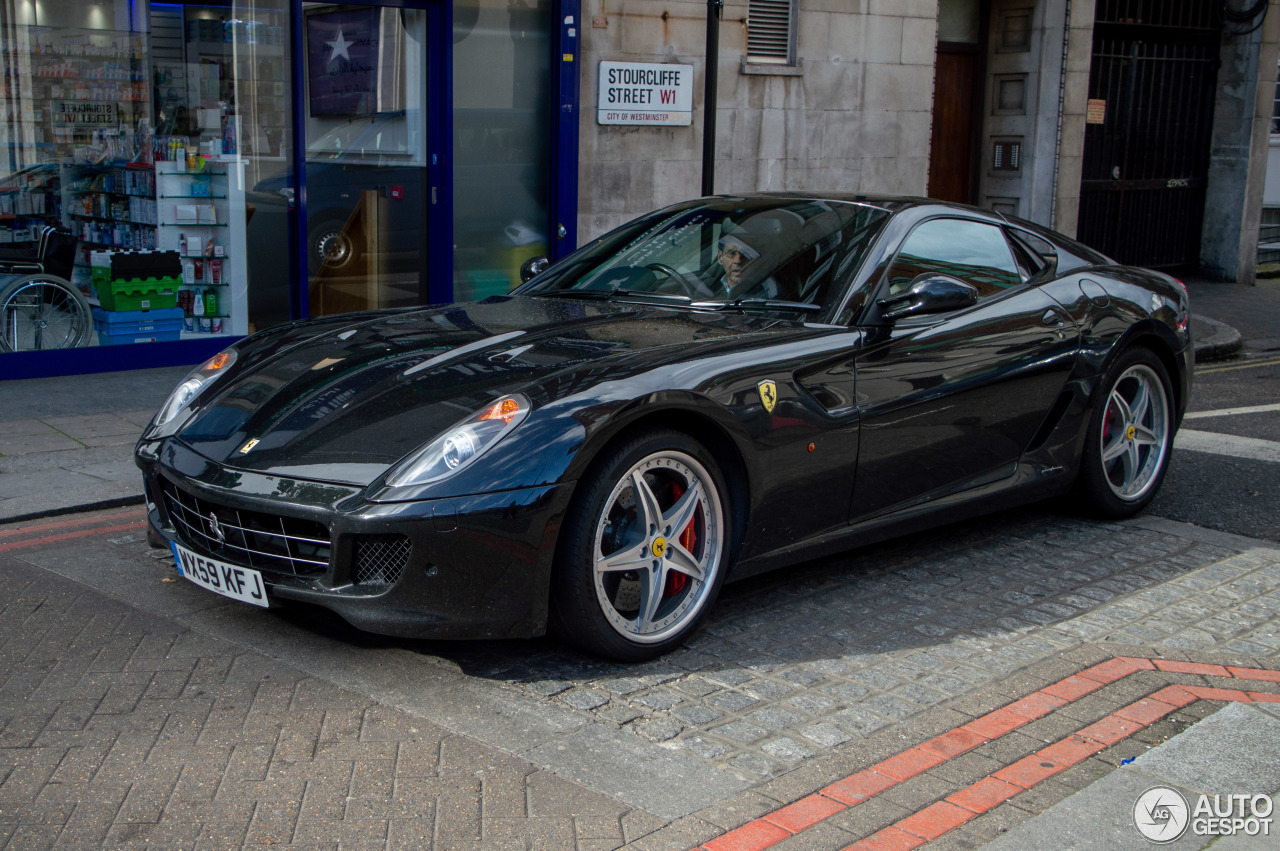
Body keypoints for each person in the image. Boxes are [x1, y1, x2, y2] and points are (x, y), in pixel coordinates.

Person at [706, 232, 778, 299]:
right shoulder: (707, 287)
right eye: (731, 253)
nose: (738, 261)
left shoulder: (770, 292)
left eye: (746, 254)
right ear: (720, 257)